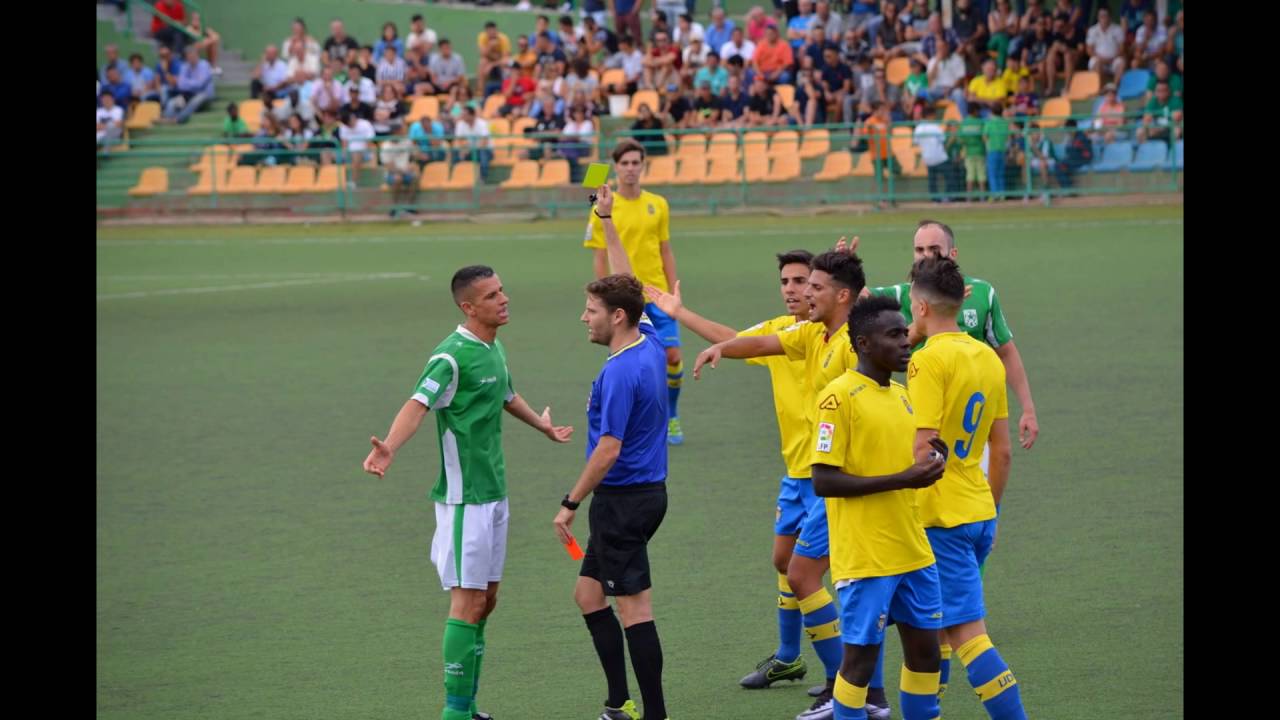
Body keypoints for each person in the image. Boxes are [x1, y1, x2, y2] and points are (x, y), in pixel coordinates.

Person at [363, 265, 573, 720]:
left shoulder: (492, 348)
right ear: (469, 307)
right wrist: (389, 447)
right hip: (464, 501)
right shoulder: (450, 357)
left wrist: (541, 426)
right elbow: (418, 404)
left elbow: (505, 394)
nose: (504, 299)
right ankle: (454, 713)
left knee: (488, 600)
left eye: (502, 290)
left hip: (495, 493)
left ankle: (469, 706)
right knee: (467, 603)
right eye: (492, 295)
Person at [692, 250, 870, 720]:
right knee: (792, 566)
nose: (803, 292)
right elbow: (759, 343)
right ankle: (838, 682)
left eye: (813, 285)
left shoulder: (854, 343)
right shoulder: (811, 333)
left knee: (811, 576)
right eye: (797, 283)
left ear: (842, 296)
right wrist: (721, 348)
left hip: (841, 479)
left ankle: (847, 690)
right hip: (812, 472)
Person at [641, 250, 820, 695]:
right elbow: (735, 339)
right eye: (785, 281)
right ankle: (789, 656)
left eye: (801, 281)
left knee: (818, 573)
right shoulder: (780, 330)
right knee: (784, 562)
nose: (791, 289)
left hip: (832, 475)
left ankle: (849, 681)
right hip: (796, 473)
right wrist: (679, 313)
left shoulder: (834, 333)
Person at [556, 184, 671, 720]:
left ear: (617, 317)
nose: (585, 318)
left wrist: (570, 503)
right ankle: (618, 702)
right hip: (636, 497)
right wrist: (606, 220)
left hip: (624, 502)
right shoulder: (648, 338)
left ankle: (654, 714)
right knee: (588, 595)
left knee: (635, 609)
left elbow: (607, 449)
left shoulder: (620, 372)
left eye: (591, 310)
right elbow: (630, 282)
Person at [811, 295, 947, 720]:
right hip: (867, 556)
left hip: (912, 549)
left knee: (927, 655)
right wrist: (903, 478)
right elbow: (823, 480)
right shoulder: (837, 398)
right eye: (894, 335)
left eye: (905, 333)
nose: (906, 342)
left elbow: (896, 463)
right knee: (860, 664)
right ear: (864, 344)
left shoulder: (903, 395)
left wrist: (931, 463)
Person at [904, 256, 1027, 719]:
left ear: (920, 307)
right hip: (978, 508)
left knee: (966, 635)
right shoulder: (987, 358)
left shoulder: (927, 361)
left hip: (939, 517)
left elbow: (923, 448)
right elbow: (1002, 451)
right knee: (931, 631)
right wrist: (990, 511)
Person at [583, 140, 685, 446]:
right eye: (624, 163)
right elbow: (600, 255)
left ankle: (672, 415)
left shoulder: (658, 204)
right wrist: (605, 297)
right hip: (626, 300)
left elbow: (666, 250)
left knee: (672, 356)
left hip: (657, 295)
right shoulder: (603, 207)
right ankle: (638, 421)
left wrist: (673, 288)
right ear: (616, 167)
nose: (630, 168)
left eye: (635, 162)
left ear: (643, 165)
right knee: (633, 361)